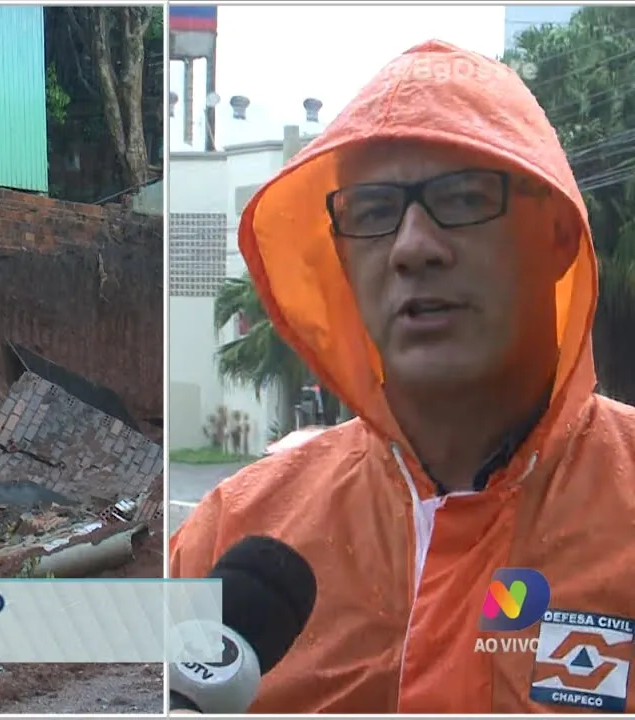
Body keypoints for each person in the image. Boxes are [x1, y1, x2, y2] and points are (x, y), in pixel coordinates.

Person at [170, 40, 635, 713]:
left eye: (466, 195)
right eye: (373, 211)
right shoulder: (233, 535)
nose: (413, 246)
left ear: (560, 231)